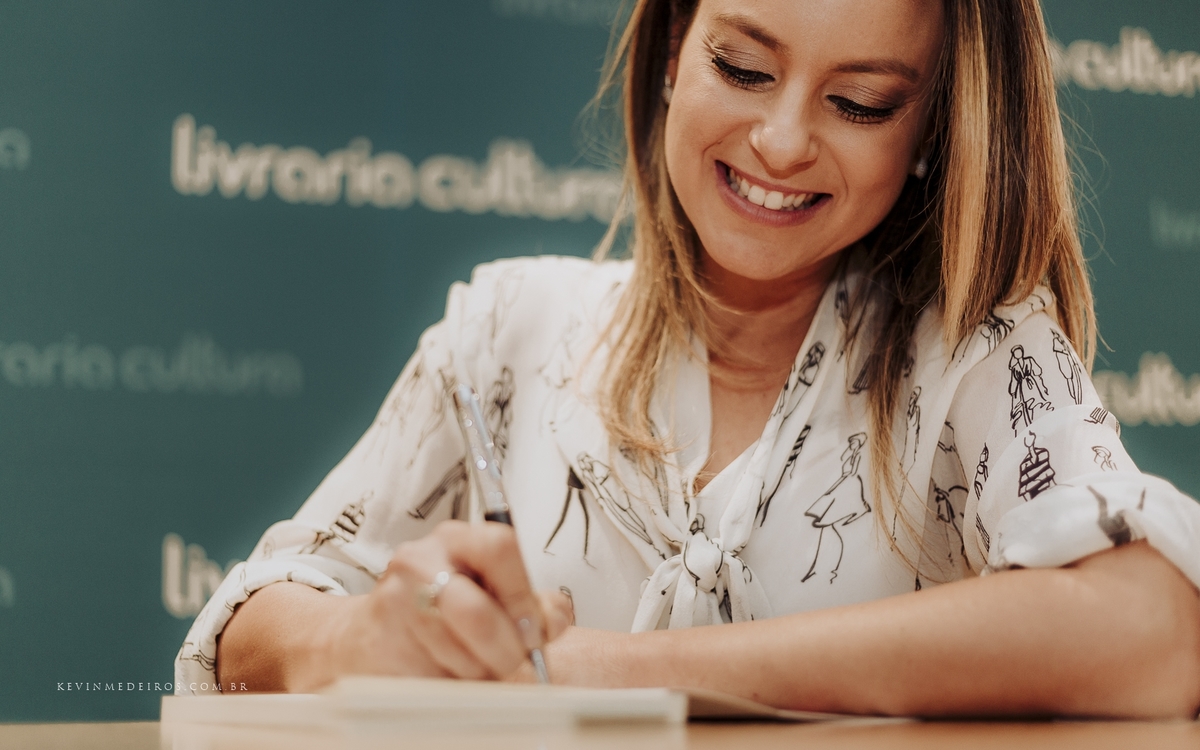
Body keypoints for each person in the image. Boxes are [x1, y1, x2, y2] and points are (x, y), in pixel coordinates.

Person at [178, 0, 1200, 717]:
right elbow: (251, 628)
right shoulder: (509, 327)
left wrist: (598, 675)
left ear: (931, 129)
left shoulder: (979, 348)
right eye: (743, 68)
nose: (784, 140)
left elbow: (1154, 629)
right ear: (673, 48)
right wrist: (373, 643)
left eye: (862, 104)